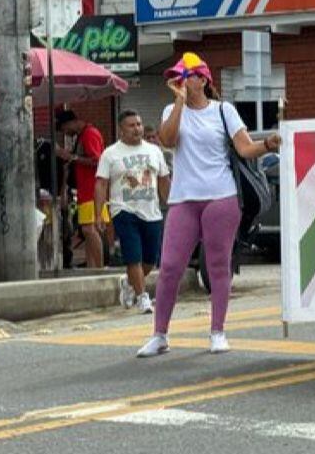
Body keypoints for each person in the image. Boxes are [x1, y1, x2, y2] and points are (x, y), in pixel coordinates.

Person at [136, 53, 281, 357]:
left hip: (221, 196)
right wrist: (178, 102)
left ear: (202, 79)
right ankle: (160, 334)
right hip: (183, 199)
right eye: (176, 77)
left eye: (185, 76)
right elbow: (168, 139)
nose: (179, 81)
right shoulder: (169, 109)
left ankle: (218, 331)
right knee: (171, 267)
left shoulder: (223, 111)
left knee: (217, 265)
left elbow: (245, 147)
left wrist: (267, 144)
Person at [95, 110, 171, 314]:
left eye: (139, 124)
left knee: (150, 261)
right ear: (121, 129)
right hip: (123, 210)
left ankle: (129, 284)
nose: (137, 129)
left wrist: (173, 203)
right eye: (131, 125)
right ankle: (143, 297)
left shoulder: (154, 151)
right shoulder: (110, 154)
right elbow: (101, 184)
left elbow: (163, 179)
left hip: (151, 211)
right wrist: (99, 213)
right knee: (133, 256)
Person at [55, 109, 106, 269]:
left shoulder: (89, 134)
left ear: (69, 123)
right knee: (87, 230)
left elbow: (97, 160)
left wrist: (71, 157)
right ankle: (92, 266)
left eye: (64, 130)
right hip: (86, 190)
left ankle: (99, 267)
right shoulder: (83, 135)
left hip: (92, 189)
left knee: (89, 229)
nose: (65, 134)